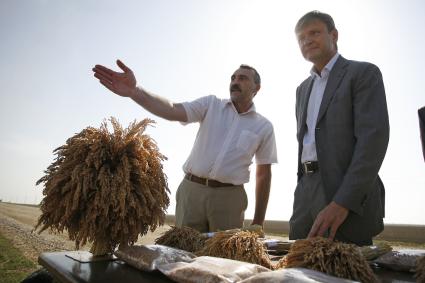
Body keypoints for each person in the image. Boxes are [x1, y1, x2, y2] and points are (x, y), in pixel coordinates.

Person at [92, 61, 277, 233]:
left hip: (230, 199)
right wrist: (135, 91)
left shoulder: (263, 127)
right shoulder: (211, 105)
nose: (235, 82)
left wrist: (258, 222)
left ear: (256, 88)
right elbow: (172, 109)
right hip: (191, 192)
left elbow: (263, 174)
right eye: (233, 78)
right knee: (182, 255)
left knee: (221, 261)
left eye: (242, 78)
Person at [290, 11, 390, 246]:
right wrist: (302, 190)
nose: (307, 40)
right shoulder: (302, 89)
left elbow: (373, 141)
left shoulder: (363, 73)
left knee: (343, 270)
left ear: (333, 35)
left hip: (343, 192)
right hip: (306, 191)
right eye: (301, 38)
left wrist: (344, 201)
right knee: (297, 268)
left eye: (314, 32)